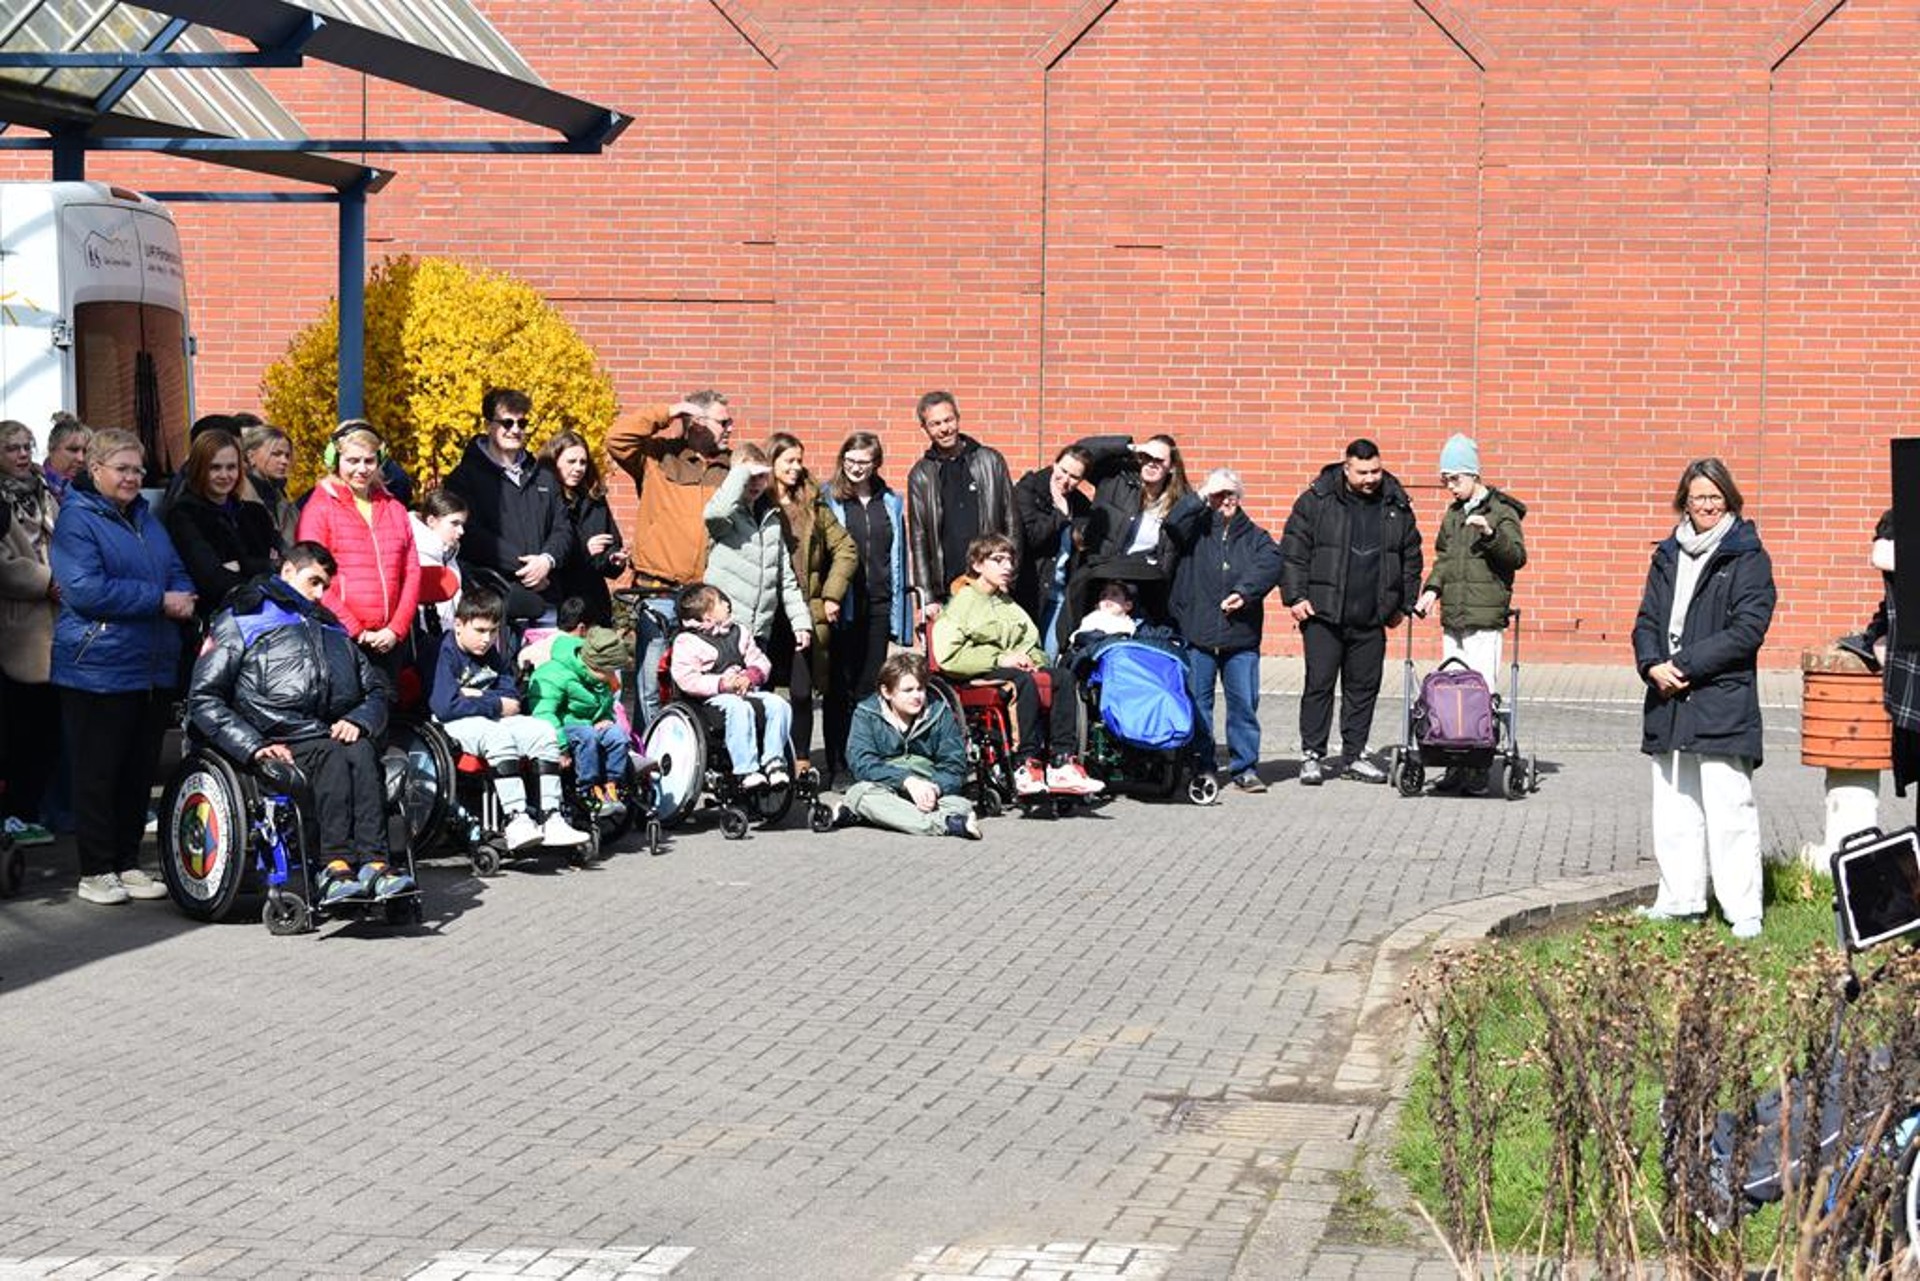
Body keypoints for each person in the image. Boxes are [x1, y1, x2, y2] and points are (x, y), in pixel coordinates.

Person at [187, 542, 411, 906]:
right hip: (275, 735)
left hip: (329, 731)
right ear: (288, 571)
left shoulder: (331, 626)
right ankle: (333, 867)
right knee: (332, 755)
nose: (320, 594)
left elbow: (376, 690)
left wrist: (359, 720)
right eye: (314, 582)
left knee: (360, 749)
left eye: (326, 586)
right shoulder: (242, 616)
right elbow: (204, 698)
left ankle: (375, 864)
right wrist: (254, 746)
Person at [1631, 458, 1775, 940]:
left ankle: (1743, 910)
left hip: (1720, 698)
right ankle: (1680, 900)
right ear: (1685, 502)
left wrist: (1684, 666)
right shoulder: (1667, 553)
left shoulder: (1747, 555)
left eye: (1715, 497)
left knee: (1730, 809)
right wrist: (1651, 664)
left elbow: (1748, 630)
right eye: (1698, 498)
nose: (1707, 506)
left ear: (1729, 500)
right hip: (1667, 697)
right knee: (1674, 808)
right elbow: (1647, 619)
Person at [50, 427, 195, 904]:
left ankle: (127, 863)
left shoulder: (146, 518)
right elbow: (85, 590)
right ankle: (96, 870)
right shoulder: (76, 520)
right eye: (123, 469)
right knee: (98, 774)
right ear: (96, 470)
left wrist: (181, 593)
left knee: (136, 773)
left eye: (138, 469)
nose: (133, 477)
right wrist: (160, 600)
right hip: (98, 666)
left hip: (149, 665)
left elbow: (175, 569)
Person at [1280, 439, 1423, 786]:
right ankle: (1312, 755)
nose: (1371, 478)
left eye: (1375, 471)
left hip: (1371, 617)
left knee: (1363, 689)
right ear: (1346, 469)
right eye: (1362, 472)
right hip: (1323, 614)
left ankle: (1354, 756)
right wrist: (1295, 596)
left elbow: (1411, 557)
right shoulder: (1317, 500)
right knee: (1319, 685)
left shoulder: (1395, 503)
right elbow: (1293, 550)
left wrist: (1402, 605)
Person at [931, 534, 1103, 798]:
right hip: (974, 672)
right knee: (1021, 681)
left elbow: (1032, 644)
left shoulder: (1008, 604)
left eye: (1010, 560)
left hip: (1013, 669)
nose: (1007, 566)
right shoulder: (962, 603)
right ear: (977, 565)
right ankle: (1025, 764)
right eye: (998, 560)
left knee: (1063, 677)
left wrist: (1032, 660)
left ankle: (1062, 762)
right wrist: (1000, 659)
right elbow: (948, 656)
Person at [605, 392, 734, 729]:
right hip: (658, 591)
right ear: (698, 423)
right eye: (723, 422)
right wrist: (669, 411)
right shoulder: (657, 457)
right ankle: (648, 749)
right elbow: (616, 438)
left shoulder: (730, 467)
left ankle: (693, 748)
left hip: (706, 596)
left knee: (699, 682)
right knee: (650, 685)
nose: (730, 428)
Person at [429, 585, 590, 853]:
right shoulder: (441, 651)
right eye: (480, 630)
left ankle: (551, 816)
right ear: (458, 624)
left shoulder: (491, 653)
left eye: (493, 631)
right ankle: (516, 819)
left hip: (487, 716)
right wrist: (493, 702)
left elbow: (512, 699)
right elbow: (446, 706)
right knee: (497, 735)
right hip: (452, 726)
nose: (487, 639)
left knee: (542, 731)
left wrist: (476, 696)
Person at [1413, 434, 1529, 794]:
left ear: (1473, 474)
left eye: (1455, 479)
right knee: (1451, 694)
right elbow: (1444, 560)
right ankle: (1455, 763)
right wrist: (1431, 591)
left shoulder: (1501, 511)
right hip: (1455, 618)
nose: (1450, 487)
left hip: (1484, 619)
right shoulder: (1453, 515)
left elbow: (1517, 556)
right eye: (1446, 480)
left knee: (1481, 693)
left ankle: (1478, 767)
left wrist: (1491, 533)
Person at [1164, 468, 1284, 794]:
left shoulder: (1255, 536)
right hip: (1198, 634)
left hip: (1240, 637)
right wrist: (1202, 495)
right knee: (1198, 706)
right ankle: (1202, 766)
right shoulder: (1194, 531)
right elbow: (1172, 523)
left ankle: (1245, 768)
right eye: (1219, 494)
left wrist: (1245, 592)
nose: (1226, 500)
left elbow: (1271, 564)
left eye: (1231, 494)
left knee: (1244, 705)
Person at [294, 421, 420, 684]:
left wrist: (396, 629)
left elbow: (411, 572)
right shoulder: (318, 509)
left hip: (388, 641)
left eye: (369, 460)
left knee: (385, 704)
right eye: (352, 460)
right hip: (338, 637)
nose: (362, 469)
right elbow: (312, 578)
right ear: (335, 460)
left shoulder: (394, 509)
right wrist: (356, 630)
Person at [821, 432, 912, 787]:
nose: (856, 468)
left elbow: (897, 555)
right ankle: (838, 765)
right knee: (839, 688)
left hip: (879, 603)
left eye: (864, 462)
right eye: (850, 460)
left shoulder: (890, 501)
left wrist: (902, 611)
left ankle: (862, 760)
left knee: (869, 688)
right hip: (842, 604)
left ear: (876, 464)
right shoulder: (828, 498)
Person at [767, 432, 857, 775]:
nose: (796, 467)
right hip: (766, 611)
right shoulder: (757, 502)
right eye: (789, 460)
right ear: (772, 462)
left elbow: (846, 548)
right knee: (762, 689)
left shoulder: (813, 505)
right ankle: (765, 759)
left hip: (802, 611)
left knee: (802, 691)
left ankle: (801, 763)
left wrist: (831, 594)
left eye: (799, 460)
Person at [444, 388, 573, 624]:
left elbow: (563, 528)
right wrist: (526, 567)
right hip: (491, 604)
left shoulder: (543, 476)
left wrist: (546, 560)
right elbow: (470, 533)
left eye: (521, 423)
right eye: (507, 423)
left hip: (545, 597)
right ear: (488, 425)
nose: (515, 430)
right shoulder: (463, 478)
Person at [835, 650, 980, 839]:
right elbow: (861, 762)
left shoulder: (940, 712)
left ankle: (871, 816)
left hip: (929, 786)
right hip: (884, 786)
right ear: (886, 692)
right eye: (908, 690)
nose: (917, 696)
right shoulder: (866, 714)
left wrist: (935, 788)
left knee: (961, 805)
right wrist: (907, 781)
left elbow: (954, 765)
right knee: (861, 793)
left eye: (921, 688)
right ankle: (947, 824)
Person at [1063, 434, 1192, 640]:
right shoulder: (1118, 478)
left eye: (1159, 460)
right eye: (1147, 457)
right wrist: (1131, 447)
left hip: (1143, 586)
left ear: (1172, 467)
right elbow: (1081, 451)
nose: (1151, 464)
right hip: (1100, 574)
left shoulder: (1180, 502)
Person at [703, 443, 812, 684]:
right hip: (725, 629)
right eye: (749, 477)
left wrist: (800, 622)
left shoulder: (771, 520)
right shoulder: (727, 517)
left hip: (759, 631)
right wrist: (741, 472)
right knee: (725, 695)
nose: (755, 483)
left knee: (754, 695)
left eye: (761, 477)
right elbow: (715, 514)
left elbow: (786, 578)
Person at [669, 582, 794, 791]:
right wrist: (722, 684)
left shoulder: (739, 632)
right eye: (720, 602)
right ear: (707, 616)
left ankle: (774, 760)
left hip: (744, 690)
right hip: (709, 699)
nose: (727, 604)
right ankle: (746, 769)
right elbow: (687, 679)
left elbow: (760, 661)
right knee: (739, 708)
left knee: (779, 704)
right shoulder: (687, 641)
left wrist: (750, 676)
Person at [905, 391, 1019, 619]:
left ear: (958, 418)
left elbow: (1011, 521)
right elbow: (919, 538)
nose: (944, 429)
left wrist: (1008, 576)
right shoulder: (920, 475)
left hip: (991, 584)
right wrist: (927, 597)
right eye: (935, 424)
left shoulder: (990, 460)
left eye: (948, 420)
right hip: (947, 592)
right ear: (924, 428)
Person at [0, 421, 60, 846]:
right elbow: (4, 565)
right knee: (17, 729)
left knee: (45, 727)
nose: (22, 454)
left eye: (27, 446)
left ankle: (33, 809)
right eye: (11, 448)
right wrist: (47, 580)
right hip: (19, 622)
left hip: (56, 620)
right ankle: (14, 814)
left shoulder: (45, 492)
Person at [164, 428, 283, 621]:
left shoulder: (255, 513)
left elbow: (279, 566)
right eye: (215, 467)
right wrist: (263, 566)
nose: (224, 475)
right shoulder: (184, 514)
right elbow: (211, 579)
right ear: (199, 468)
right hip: (221, 618)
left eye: (231, 467)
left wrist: (241, 565)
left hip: (267, 613)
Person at [528, 625, 632, 818]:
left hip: (591, 723)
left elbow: (606, 703)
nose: (613, 677)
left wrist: (605, 718)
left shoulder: (601, 678)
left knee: (618, 736)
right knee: (587, 735)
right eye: (609, 671)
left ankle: (613, 786)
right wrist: (561, 746)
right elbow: (543, 712)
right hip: (563, 726)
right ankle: (586, 789)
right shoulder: (555, 674)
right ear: (593, 665)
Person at [539, 430, 626, 627]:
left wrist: (613, 560)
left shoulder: (594, 499)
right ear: (553, 462)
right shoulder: (542, 499)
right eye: (571, 461)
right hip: (556, 600)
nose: (578, 468)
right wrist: (584, 550)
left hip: (593, 603)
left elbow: (611, 544)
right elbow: (543, 547)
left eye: (583, 462)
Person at [1012, 443, 1092, 654]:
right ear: (1054, 464)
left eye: (1074, 477)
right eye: (1063, 470)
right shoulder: (1029, 490)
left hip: (1061, 595)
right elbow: (1031, 538)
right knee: (1025, 655)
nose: (1065, 480)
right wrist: (1060, 515)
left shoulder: (1080, 505)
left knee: (1049, 657)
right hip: (1030, 589)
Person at [411, 486, 469, 635]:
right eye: (454, 523)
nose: (461, 531)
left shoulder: (448, 553)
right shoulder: (415, 557)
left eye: (462, 524)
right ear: (431, 521)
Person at [241, 422, 299, 548]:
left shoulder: (282, 499)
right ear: (251, 456)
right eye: (276, 454)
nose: (284, 461)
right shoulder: (237, 499)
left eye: (287, 456)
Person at [1070, 580, 1140, 643]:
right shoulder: (1095, 617)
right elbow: (1080, 635)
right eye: (1103, 596)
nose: (1107, 598)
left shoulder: (1130, 624)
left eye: (1115, 594)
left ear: (1127, 605)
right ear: (1097, 606)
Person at [41, 415, 88, 504]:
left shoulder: (94, 487)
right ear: (52, 449)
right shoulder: (35, 488)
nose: (81, 459)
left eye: (85, 451)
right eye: (73, 450)